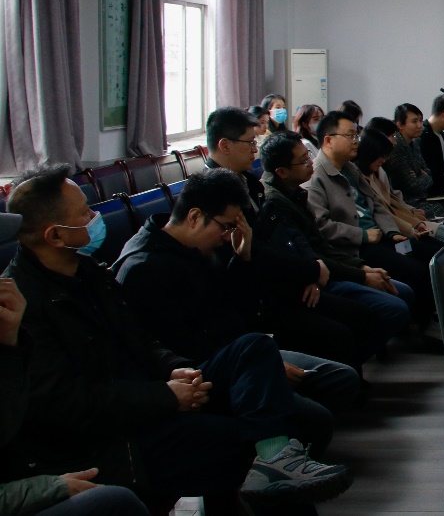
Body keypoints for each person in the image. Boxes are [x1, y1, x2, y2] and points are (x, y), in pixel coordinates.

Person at [3, 165, 351, 507]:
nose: (95, 217)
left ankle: (275, 461)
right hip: (114, 433)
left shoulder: (88, 272)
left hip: (154, 392)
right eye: (85, 213)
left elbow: (142, 339)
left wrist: (176, 368)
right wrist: (166, 396)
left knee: (254, 348)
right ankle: (274, 462)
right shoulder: (23, 306)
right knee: (258, 436)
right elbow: (66, 403)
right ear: (55, 236)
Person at [113, 169, 360, 426]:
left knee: (342, 378)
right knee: (317, 420)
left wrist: (243, 258)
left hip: (241, 349)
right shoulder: (144, 269)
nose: (227, 236)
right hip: (207, 371)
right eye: (227, 226)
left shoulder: (197, 246)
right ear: (195, 217)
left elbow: (239, 309)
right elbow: (181, 350)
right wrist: (256, 364)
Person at [204, 108, 379, 370]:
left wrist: (310, 269)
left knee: (361, 315)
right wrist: (308, 271)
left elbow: (284, 233)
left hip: (287, 276)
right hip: (260, 295)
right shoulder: (214, 193)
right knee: (341, 331)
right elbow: (253, 251)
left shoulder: (248, 182)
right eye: (249, 143)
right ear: (225, 145)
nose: (254, 150)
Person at [0, 215, 151, 516]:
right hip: (41, 469)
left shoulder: (89, 273)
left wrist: (8, 348)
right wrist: (50, 487)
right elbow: (60, 403)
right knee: (113, 503)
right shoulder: (35, 295)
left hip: (36, 465)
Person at [257, 131, 416, 357]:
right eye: (303, 160)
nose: (310, 162)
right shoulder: (277, 203)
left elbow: (320, 247)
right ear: (282, 172)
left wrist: (362, 267)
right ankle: (350, 361)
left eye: (308, 155)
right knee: (393, 306)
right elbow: (310, 252)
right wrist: (361, 274)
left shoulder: (297, 191)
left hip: (328, 265)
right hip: (316, 277)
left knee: (403, 290)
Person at [305, 111, 433, 312]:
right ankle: (420, 321)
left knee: (429, 252)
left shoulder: (350, 168)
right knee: (415, 271)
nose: (356, 141)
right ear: (328, 141)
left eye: (356, 135)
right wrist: (363, 235)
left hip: (382, 236)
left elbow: (376, 204)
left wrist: (392, 232)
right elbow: (322, 226)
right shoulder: (315, 177)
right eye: (350, 136)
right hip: (356, 247)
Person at [354, 128, 444, 250]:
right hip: (394, 229)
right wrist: (411, 227)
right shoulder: (360, 177)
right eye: (381, 156)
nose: (384, 161)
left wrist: (413, 215)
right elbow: (386, 209)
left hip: (406, 219)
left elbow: (394, 199)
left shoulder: (376, 172)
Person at [383, 103, 444, 217]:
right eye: (414, 122)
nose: (420, 125)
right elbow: (413, 186)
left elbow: (429, 174)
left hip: (422, 198)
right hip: (407, 203)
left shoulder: (415, 143)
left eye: (420, 120)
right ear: (400, 125)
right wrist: (422, 175)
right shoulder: (396, 147)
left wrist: (421, 175)